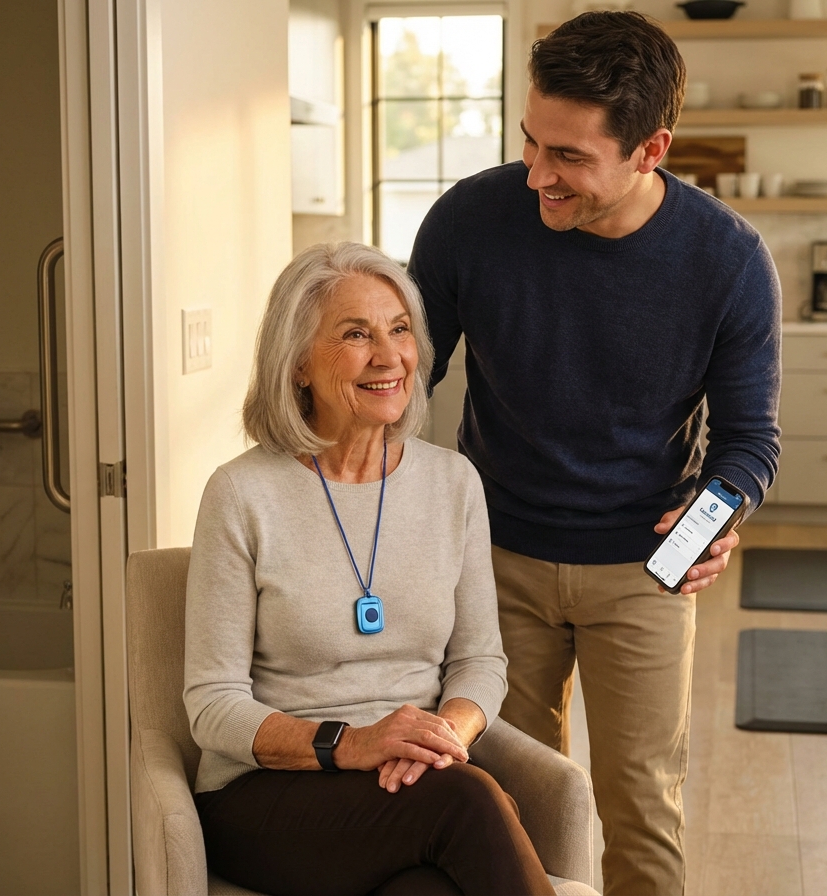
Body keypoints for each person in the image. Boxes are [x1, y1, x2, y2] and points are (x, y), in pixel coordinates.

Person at [407, 11, 782, 895]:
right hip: (494, 558)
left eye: (570, 157)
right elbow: (406, 377)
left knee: (641, 807)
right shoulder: (469, 220)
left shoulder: (726, 261)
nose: (538, 173)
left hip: (645, 569)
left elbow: (748, 443)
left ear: (650, 150)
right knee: (512, 800)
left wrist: (718, 514)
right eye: (531, 141)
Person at [184, 241, 556, 896]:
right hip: (268, 792)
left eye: (400, 330)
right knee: (468, 805)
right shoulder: (241, 494)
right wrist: (348, 744)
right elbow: (211, 706)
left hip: (414, 784)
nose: (390, 358)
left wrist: (442, 739)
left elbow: (478, 662)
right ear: (298, 363)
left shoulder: (453, 483)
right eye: (357, 335)